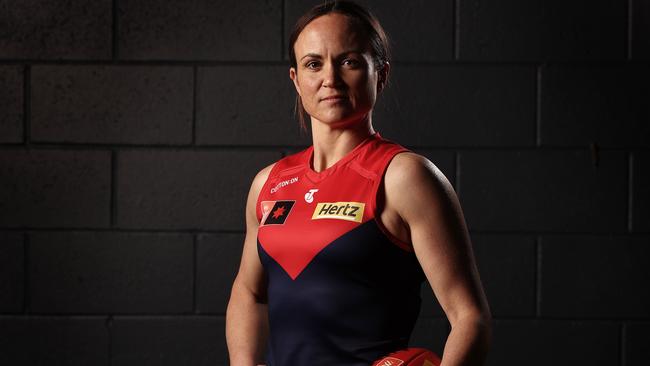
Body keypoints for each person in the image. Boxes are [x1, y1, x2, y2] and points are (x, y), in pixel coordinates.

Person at [226, 1, 491, 365]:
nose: (329, 79)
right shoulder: (269, 184)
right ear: (296, 80)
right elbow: (249, 291)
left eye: (349, 62)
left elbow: (470, 317)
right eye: (314, 64)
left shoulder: (404, 176)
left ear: (380, 74)